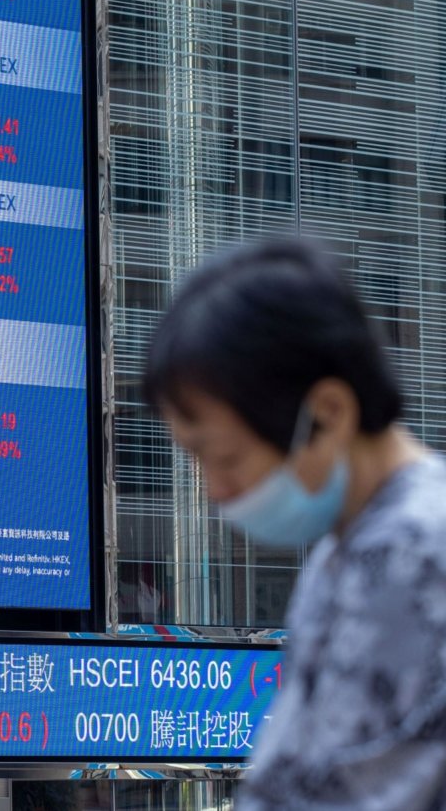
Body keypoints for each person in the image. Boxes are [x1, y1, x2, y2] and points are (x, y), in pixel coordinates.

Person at [144, 238, 446, 810]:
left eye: (224, 456)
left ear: (328, 414)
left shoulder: (407, 553)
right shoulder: (354, 546)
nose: (215, 489)